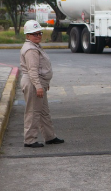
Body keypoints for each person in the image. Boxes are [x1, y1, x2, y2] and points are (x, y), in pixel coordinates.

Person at [20, 20, 64, 148]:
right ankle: (29, 140)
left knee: (44, 112)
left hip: (39, 83)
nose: (38, 36)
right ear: (28, 36)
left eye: (39, 33)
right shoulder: (31, 50)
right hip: (34, 84)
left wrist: (44, 83)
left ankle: (50, 136)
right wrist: (38, 86)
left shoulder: (35, 46)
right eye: (34, 34)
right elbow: (32, 70)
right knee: (33, 112)